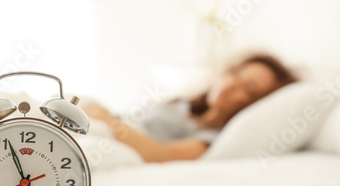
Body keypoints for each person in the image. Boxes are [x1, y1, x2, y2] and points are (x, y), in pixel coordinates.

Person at [83, 54, 298, 163]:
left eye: (248, 89)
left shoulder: (212, 137)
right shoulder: (183, 104)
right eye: (237, 73)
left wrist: (108, 121)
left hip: (111, 137)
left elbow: (162, 155)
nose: (232, 84)